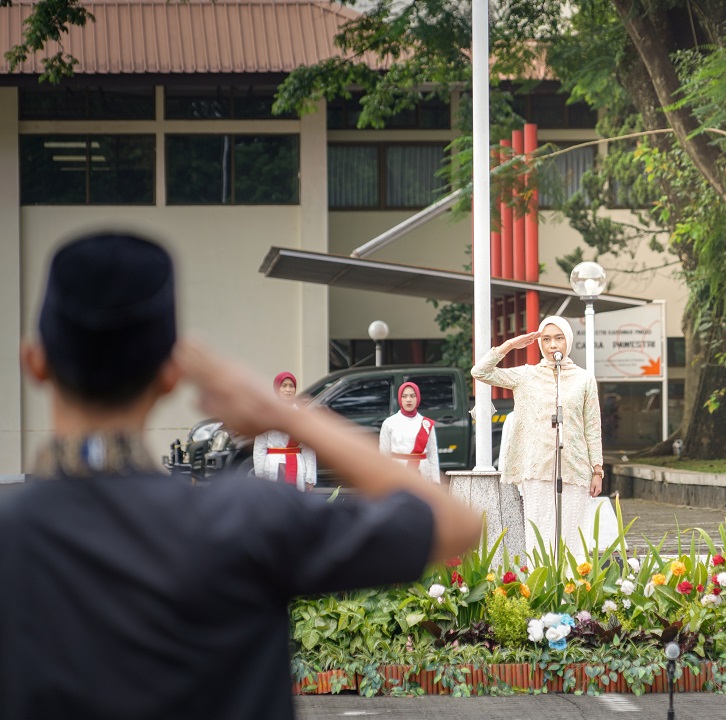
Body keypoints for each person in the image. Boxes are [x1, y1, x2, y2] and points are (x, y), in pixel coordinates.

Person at [0, 231, 482, 720]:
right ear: (171, 375)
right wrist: (288, 415)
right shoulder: (245, 516)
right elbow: (454, 522)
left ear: (35, 363)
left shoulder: (12, 531)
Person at [471, 316, 604, 557]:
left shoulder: (584, 379)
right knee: (540, 536)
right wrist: (510, 345)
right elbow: (480, 371)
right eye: (546, 339)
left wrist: (597, 470)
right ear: (539, 343)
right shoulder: (526, 376)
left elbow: (592, 426)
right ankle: (540, 590)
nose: (553, 345)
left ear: (568, 341)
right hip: (537, 468)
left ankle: (571, 590)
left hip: (575, 468)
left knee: (573, 538)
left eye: (559, 338)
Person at [253, 371, 317, 491]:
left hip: (296, 467)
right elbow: (259, 447)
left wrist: (310, 479)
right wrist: (259, 478)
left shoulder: (301, 415)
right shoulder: (266, 414)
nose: (288, 389)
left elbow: (309, 448)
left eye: (291, 386)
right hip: (272, 466)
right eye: (284, 386)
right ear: (277, 389)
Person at [380, 381, 440, 484]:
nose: (408, 400)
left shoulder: (426, 424)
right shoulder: (389, 423)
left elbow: (432, 455)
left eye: (412, 396)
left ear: (418, 398)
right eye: (404, 396)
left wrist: (436, 482)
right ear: (400, 398)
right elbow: (384, 455)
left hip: (423, 475)